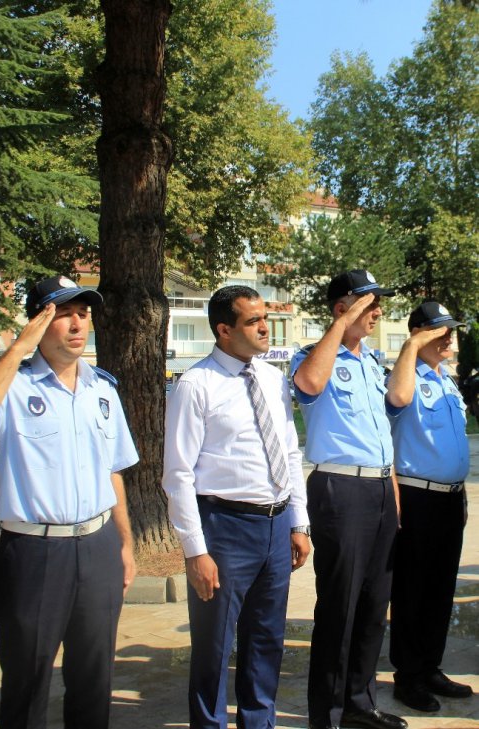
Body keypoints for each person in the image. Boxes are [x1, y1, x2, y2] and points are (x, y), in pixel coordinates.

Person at [0, 275, 138, 729]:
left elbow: (112, 471)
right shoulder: (12, 387)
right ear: (38, 320)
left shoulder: (103, 390)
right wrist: (18, 348)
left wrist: (125, 545)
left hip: (96, 548)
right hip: (33, 553)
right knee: (27, 684)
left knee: (94, 682)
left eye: (83, 313)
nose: (78, 324)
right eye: (63, 314)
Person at [162, 285, 310, 729]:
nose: (265, 327)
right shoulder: (195, 385)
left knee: (266, 639)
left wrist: (298, 521)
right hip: (225, 529)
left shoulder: (270, 378)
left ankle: (258, 722)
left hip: (276, 524)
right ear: (224, 330)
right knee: (213, 645)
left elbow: (289, 452)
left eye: (265, 317)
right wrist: (195, 551)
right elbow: (178, 475)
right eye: (252, 321)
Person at [290, 270, 407, 729]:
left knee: (374, 605)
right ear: (342, 307)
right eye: (369, 303)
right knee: (339, 606)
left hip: (379, 488)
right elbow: (308, 386)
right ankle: (328, 714)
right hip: (340, 490)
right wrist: (339, 329)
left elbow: (383, 432)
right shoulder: (314, 356)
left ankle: (360, 703)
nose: (378, 311)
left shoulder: (371, 362)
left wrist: (393, 491)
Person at [385, 302, 473, 712]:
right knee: (413, 590)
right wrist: (412, 344)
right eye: (440, 332)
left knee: (440, 590)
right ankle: (408, 676)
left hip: (450, 498)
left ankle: (430, 667)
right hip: (418, 497)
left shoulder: (448, 382)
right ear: (419, 334)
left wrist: (462, 495)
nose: (449, 339)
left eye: (451, 331)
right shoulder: (406, 376)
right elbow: (399, 397)